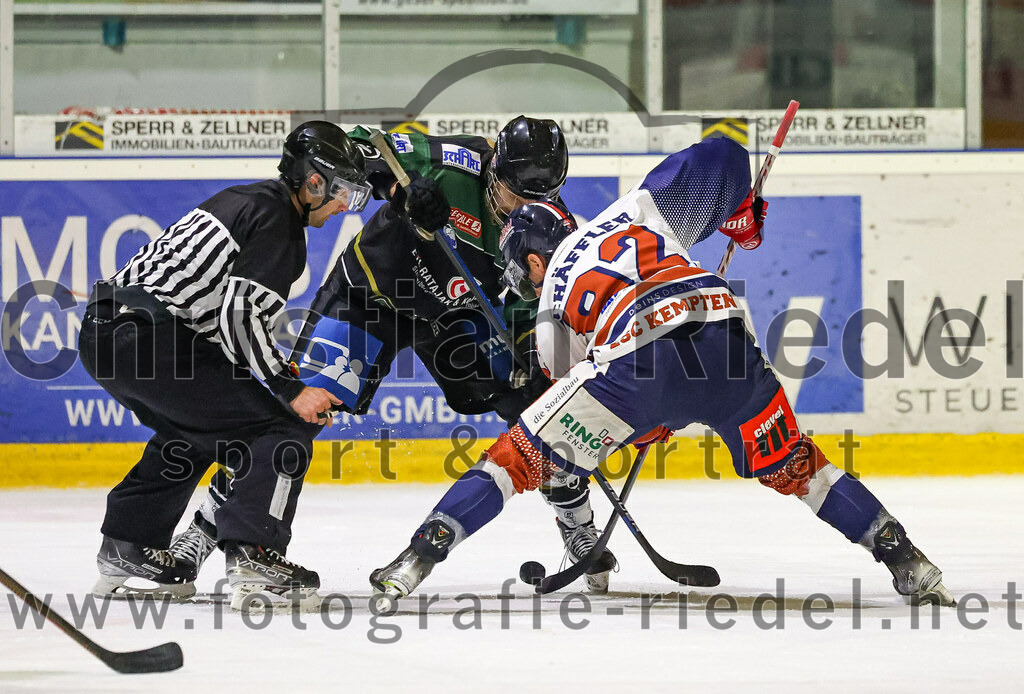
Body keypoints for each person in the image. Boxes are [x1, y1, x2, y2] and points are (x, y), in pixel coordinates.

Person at [368, 136, 956, 611]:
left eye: (519, 268)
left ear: (533, 257)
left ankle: (419, 555)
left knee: (514, 459)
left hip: (639, 366)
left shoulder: (550, 295)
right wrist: (738, 211)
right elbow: (722, 154)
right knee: (800, 466)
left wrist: (646, 421)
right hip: (729, 342)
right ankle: (905, 558)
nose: (521, 279)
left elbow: (581, 400)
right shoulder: (631, 214)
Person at [172, 116, 619, 593]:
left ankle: (576, 526)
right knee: (299, 406)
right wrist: (399, 189)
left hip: (460, 323)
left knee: (543, 412)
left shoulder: (555, 227)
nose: (520, 211)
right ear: (493, 170)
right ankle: (205, 530)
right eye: (512, 195)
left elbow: (548, 304)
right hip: (372, 297)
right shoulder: (452, 162)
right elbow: (356, 145)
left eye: (538, 200)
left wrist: (538, 368)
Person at [78, 121, 370, 610]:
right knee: (282, 430)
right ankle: (256, 554)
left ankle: (128, 543)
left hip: (102, 336)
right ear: (314, 181)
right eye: (342, 191)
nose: (345, 206)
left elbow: (222, 326)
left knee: (195, 431)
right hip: (152, 341)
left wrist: (270, 379)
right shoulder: (279, 223)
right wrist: (287, 389)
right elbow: (241, 315)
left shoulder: (242, 199)